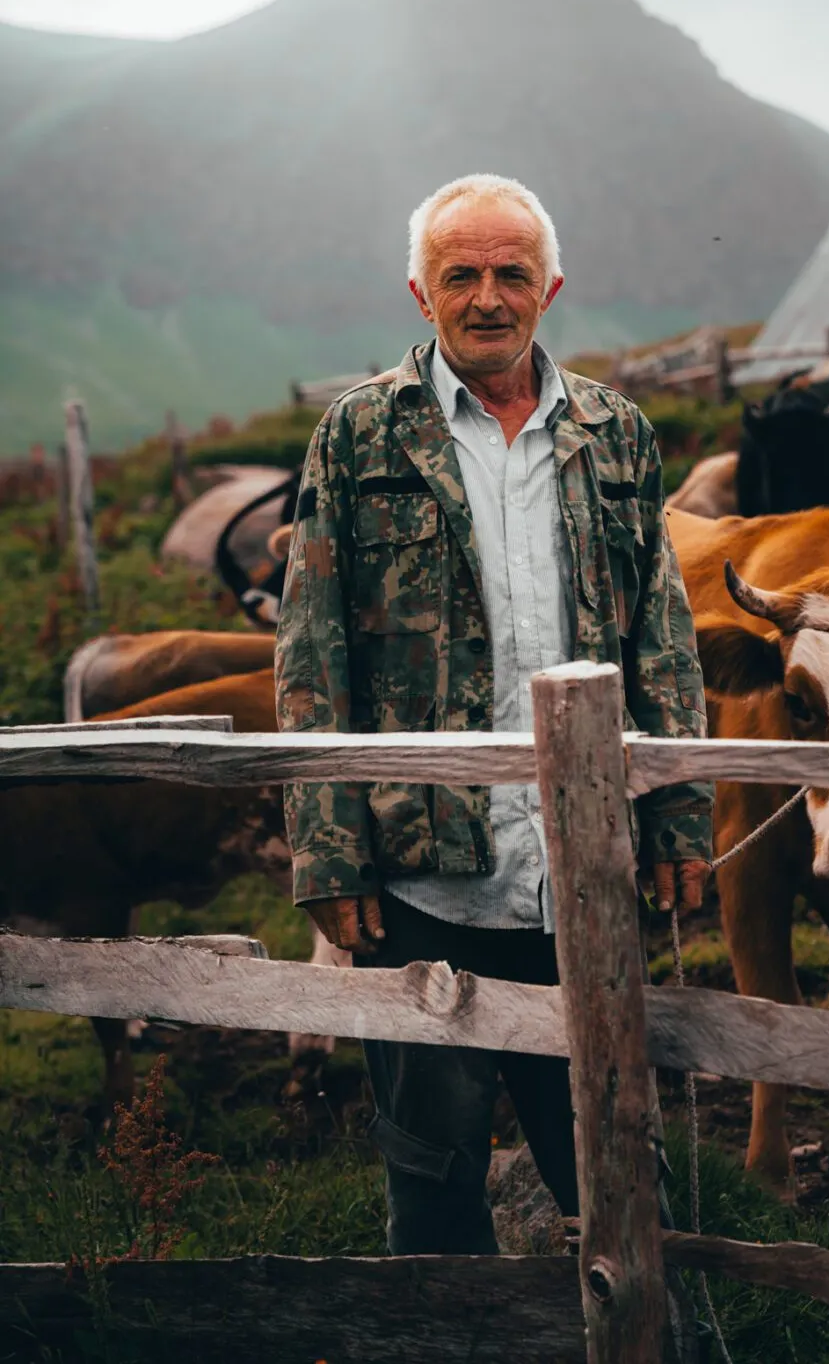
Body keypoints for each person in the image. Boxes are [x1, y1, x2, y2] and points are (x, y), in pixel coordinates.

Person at [275, 172, 712, 1256]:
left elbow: (661, 640)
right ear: (418, 295)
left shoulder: (616, 435)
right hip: (426, 874)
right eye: (457, 275)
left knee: (613, 1162)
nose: (485, 297)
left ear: (549, 286)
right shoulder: (360, 436)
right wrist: (328, 853)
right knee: (432, 1181)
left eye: (509, 273)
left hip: (585, 868)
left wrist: (683, 815)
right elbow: (312, 647)